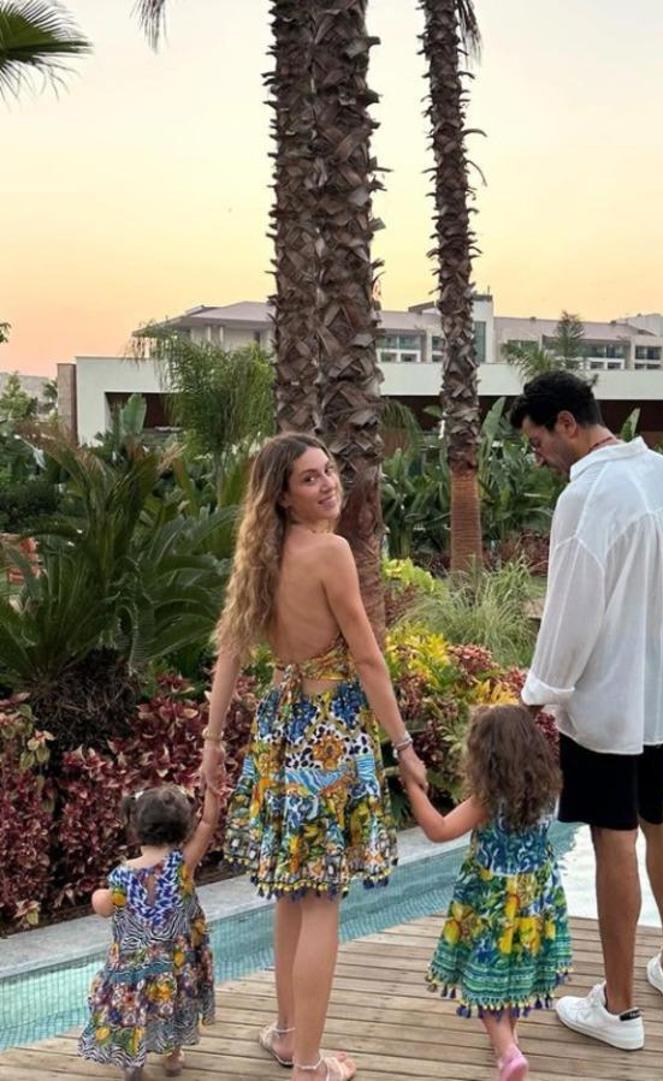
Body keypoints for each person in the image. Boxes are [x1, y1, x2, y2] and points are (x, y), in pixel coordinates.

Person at [199, 433, 427, 1081]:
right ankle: (308, 1065)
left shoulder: (260, 557)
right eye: (309, 477)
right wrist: (403, 744)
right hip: (328, 734)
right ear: (282, 495)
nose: (328, 483)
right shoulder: (330, 553)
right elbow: (367, 657)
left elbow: (231, 653)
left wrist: (213, 742)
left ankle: (287, 1033)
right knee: (321, 896)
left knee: (293, 894)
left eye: (328, 471)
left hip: (279, 729)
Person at [511, 371, 663, 1051]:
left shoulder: (587, 495)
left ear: (567, 423)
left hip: (605, 702)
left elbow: (572, 608)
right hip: (660, 693)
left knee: (613, 836)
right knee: (660, 815)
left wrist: (539, 691)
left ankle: (620, 1009)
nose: (537, 455)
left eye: (537, 441)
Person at [403, 704, 572, 1081]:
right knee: (513, 973)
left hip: (494, 905)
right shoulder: (547, 792)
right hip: (535, 901)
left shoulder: (489, 800)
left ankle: (508, 1052)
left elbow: (439, 830)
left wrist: (412, 789)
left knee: (483, 977)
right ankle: (508, 1042)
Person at [79, 783, 220, 1080]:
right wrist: (212, 791)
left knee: (134, 1012)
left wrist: (97, 896)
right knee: (175, 1001)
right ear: (183, 829)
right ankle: (173, 1055)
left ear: (135, 827)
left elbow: (104, 908)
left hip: (134, 964)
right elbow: (208, 822)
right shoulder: (182, 864)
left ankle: (134, 1065)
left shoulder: (122, 875)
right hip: (175, 961)